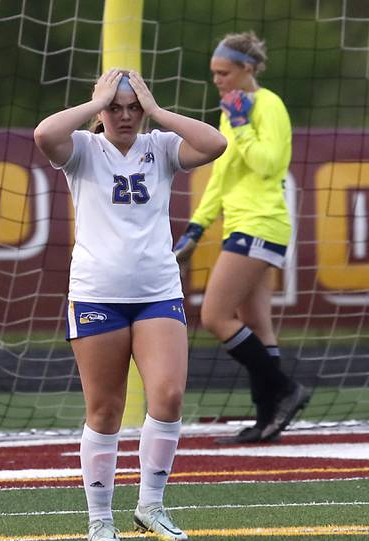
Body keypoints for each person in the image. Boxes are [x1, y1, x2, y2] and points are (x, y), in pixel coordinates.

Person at [34, 69, 226, 541]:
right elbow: (44, 135)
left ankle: (151, 507)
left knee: (168, 395)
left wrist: (157, 111)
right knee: (104, 409)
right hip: (98, 293)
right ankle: (100, 517)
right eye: (115, 108)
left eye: (132, 107)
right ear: (100, 109)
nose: (125, 116)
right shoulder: (82, 148)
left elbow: (215, 143)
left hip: (158, 292)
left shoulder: (159, 146)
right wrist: (94, 104)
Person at [173, 31, 310, 445]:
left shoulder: (267, 106)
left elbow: (269, 165)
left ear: (247, 69)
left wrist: (240, 124)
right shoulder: (230, 110)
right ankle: (269, 421)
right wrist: (196, 227)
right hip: (242, 224)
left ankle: (286, 390)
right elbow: (221, 176)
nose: (217, 79)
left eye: (224, 72)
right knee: (256, 324)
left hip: (260, 223)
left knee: (215, 316)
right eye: (214, 73)